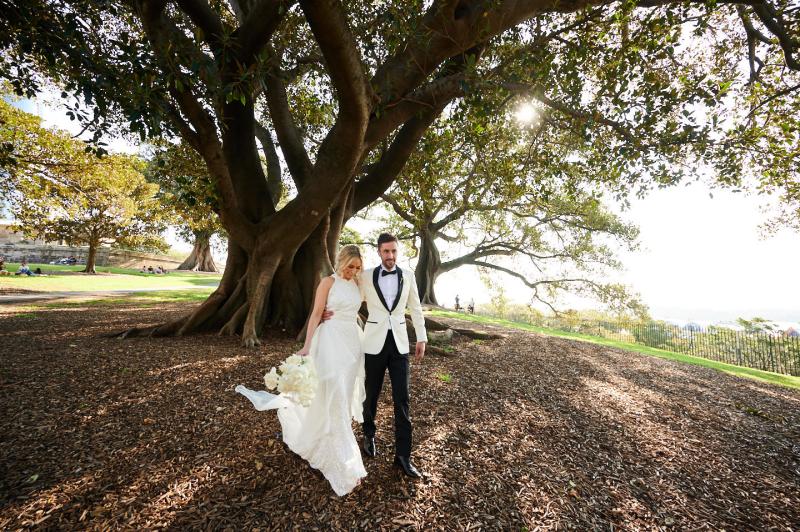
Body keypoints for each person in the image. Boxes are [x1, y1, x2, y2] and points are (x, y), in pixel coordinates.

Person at [236, 245, 368, 496]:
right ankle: (343, 461)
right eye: (350, 266)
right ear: (341, 261)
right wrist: (307, 346)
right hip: (329, 342)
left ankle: (331, 440)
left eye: (357, 267)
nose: (353, 271)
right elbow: (317, 313)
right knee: (334, 396)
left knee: (342, 394)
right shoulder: (327, 282)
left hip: (353, 344)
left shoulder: (359, 284)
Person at [327, 233, 428, 479]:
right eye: (386, 252)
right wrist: (325, 312)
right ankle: (368, 434)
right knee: (370, 394)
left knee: (402, 400)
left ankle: (403, 456)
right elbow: (344, 290)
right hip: (372, 343)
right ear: (379, 252)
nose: (390, 256)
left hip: (400, 346)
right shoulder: (366, 276)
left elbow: (415, 307)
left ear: (397, 251)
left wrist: (422, 337)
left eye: (394, 251)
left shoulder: (408, 276)